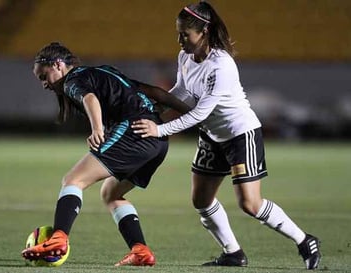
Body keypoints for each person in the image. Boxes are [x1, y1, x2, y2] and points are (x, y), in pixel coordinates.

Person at [132, 1, 321, 270]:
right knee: (201, 200)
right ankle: (233, 252)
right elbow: (182, 92)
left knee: (250, 204)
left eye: (185, 34)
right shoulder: (185, 57)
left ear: (204, 31)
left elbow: (198, 114)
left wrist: (158, 129)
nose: (180, 39)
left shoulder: (221, 65)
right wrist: (157, 108)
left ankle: (305, 241)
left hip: (239, 134)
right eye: (178, 33)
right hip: (212, 135)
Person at [21, 42, 190, 266]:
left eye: (44, 76)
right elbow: (155, 93)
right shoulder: (103, 71)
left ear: (58, 65)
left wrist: (97, 129)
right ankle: (140, 250)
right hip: (158, 140)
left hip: (134, 132)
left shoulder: (72, 80)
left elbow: (89, 99)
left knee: (73, 180)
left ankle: (58, 239)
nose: (44, 84)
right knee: (111, 194)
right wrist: (194, 115)